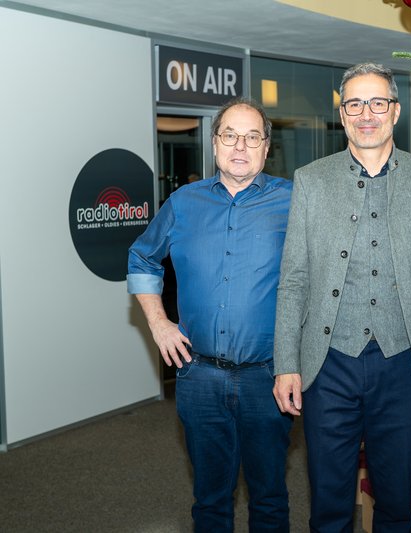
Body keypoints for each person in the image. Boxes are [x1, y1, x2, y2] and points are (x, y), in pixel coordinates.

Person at [272, 62, 411, 532]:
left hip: (403, 365)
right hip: (328, 363)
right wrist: (286, 363)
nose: (366, 114)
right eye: (354, 104)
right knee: (329, 507)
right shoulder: (311, 180)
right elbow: (294, 278)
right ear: (342, 114)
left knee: (395, 503)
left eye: (377, 103)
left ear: (395, 111)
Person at [127, 97, 293, 532]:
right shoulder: (183, 202)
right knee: (210, 499)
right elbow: (142, 258)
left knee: (269, 497)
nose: (240, 146)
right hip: (198, 376)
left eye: (252, 137)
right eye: (230, 135)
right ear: (214, 143)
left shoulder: (293, 201)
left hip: (268, 377)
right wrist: (159, 323)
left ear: (266, 147)